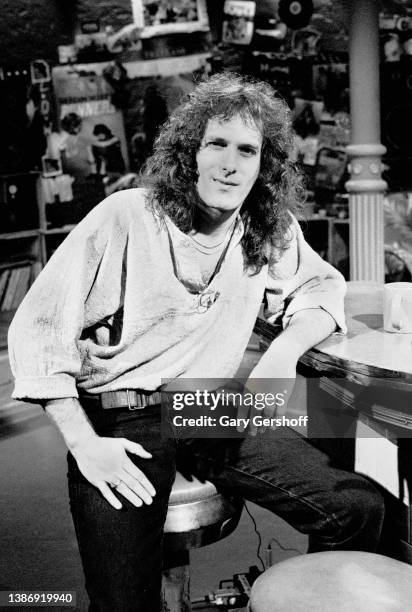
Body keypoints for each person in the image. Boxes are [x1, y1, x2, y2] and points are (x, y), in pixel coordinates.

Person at [8, 73, 384, 611]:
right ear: (190, 151)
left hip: (202, 403)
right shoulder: (128, 215)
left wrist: (280, 353)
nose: (230, 164)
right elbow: (37, 326)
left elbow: (322, 286)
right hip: (124, 412)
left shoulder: (265, 227)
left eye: (248, 150)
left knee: (355, 508)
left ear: (264, 166)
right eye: (217, 144)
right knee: (121, 604)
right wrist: (84, 443)